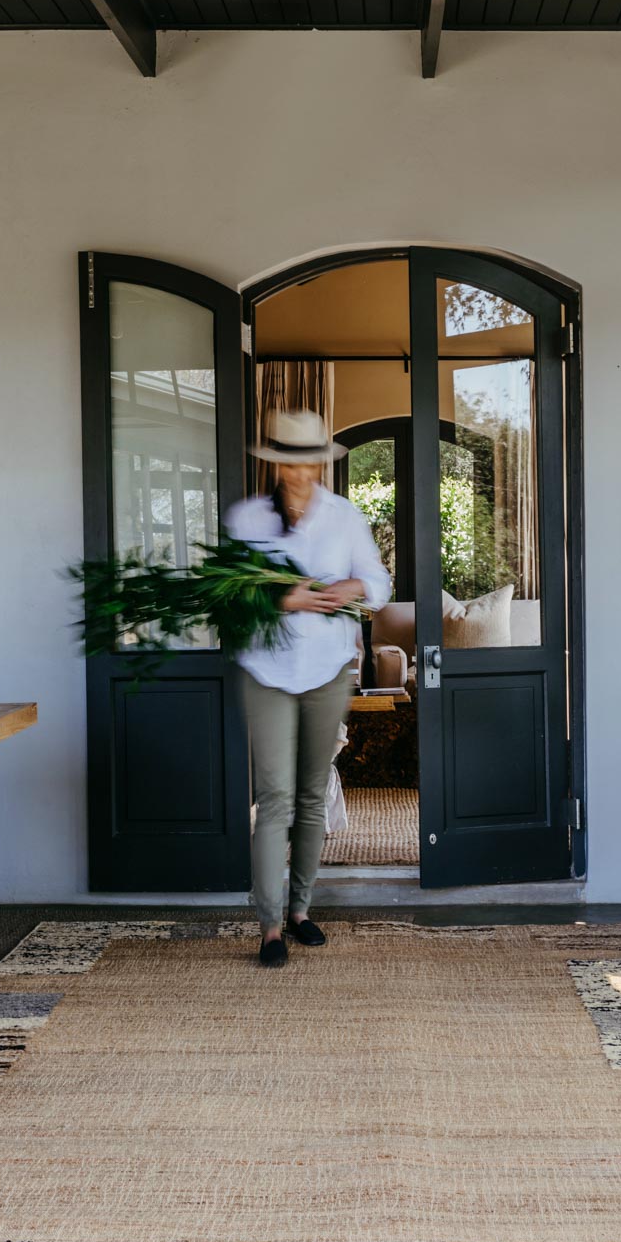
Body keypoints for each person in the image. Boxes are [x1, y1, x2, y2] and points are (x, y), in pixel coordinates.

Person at [225, 410, 391, 967]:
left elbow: (381, 582)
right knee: (274, 800)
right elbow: (225, 597)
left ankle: (301, 911)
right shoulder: (248, 518)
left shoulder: (345, 517)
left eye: (307, 461)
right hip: (266, 673)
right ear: (276, 464)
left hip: (328, 671)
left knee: (312, 796)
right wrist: (281, 599)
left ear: (319, 461)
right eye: (288, 462)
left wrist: (356, 584)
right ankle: (270, 926)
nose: (299, 472)